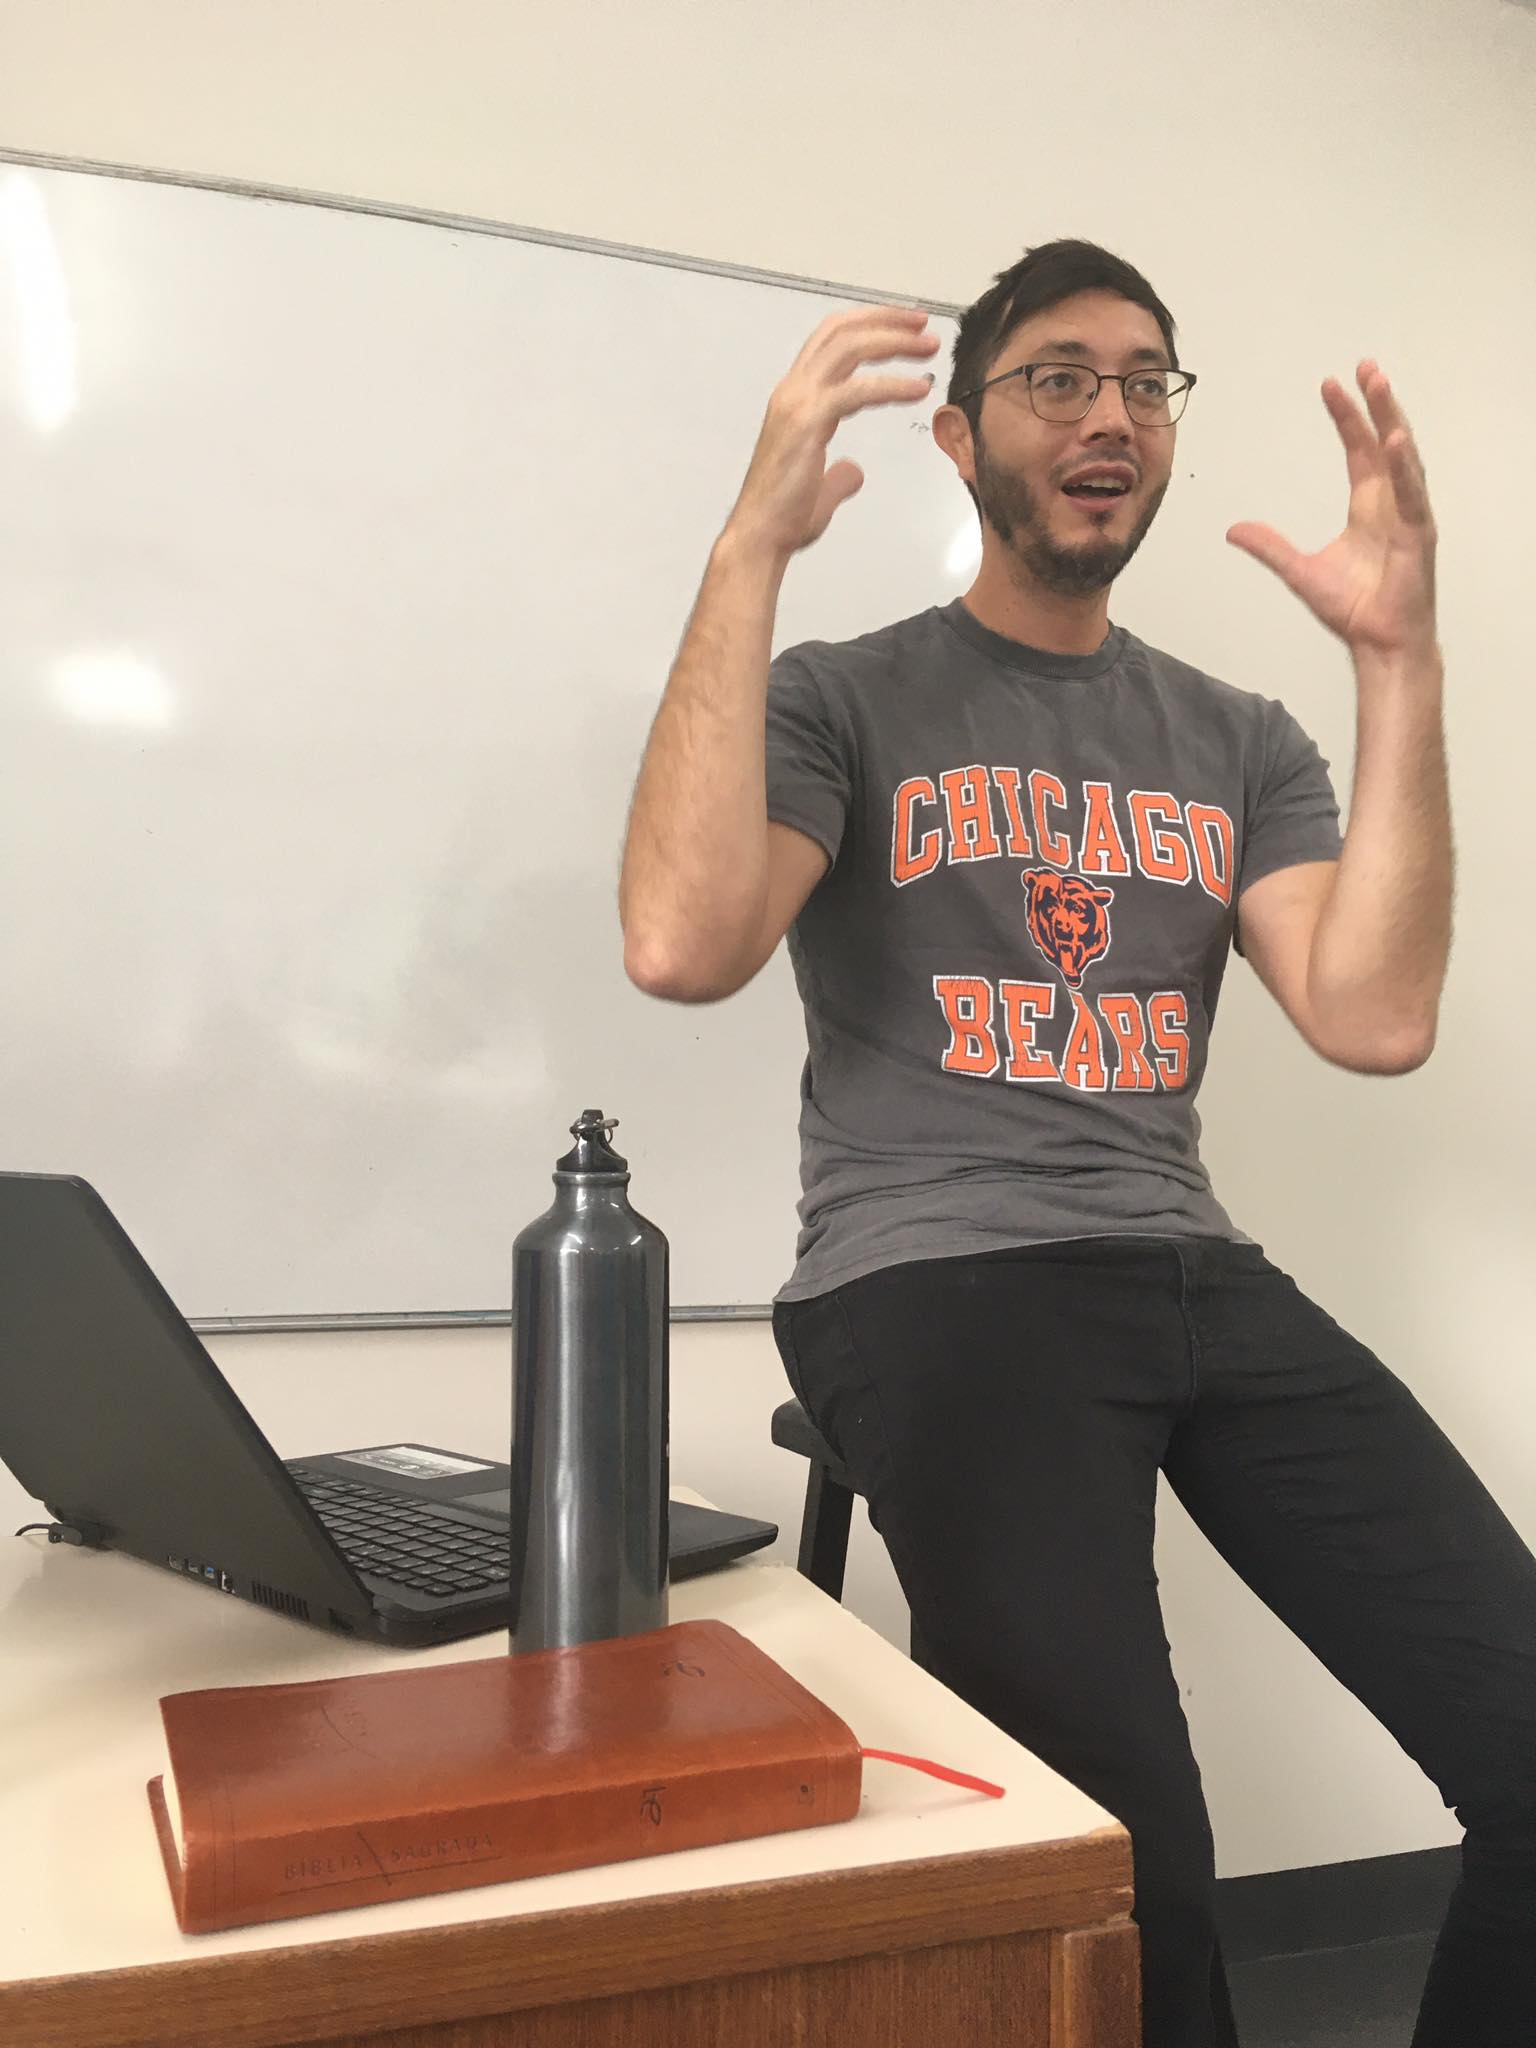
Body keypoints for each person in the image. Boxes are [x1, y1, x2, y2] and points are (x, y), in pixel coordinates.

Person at [617, 237, 1536, 2046]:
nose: (1109, 413)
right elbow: (682, 941)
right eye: (1056, 378)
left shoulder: (1239, 736)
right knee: (1129, 1869)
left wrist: (1400, 660)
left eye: (1143, 382)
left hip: (1189, 1264)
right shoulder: (842, 696)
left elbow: (1373, 1018)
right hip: (936, 1273)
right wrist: (747, 555)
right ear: (961, 437)